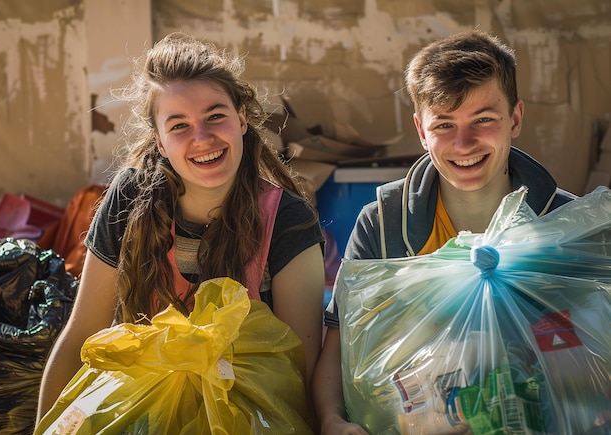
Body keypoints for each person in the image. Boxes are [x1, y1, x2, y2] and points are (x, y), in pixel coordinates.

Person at [36, 32, 326, 428]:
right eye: (179, 125)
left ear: (242, 119)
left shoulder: (286, 219)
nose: (202, 138)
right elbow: (81, 333)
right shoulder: (129, 199)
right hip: (139, 415)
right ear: (159, 139)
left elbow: (299, 371)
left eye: (215, 116)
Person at [312, 29, 576, 434]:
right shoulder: (384, 227)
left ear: (516, 118)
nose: (464, 143)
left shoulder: (565, 223)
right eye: (444, 125)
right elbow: (339, 344)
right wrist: (331, 420)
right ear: (421, 131)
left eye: (483, 119)